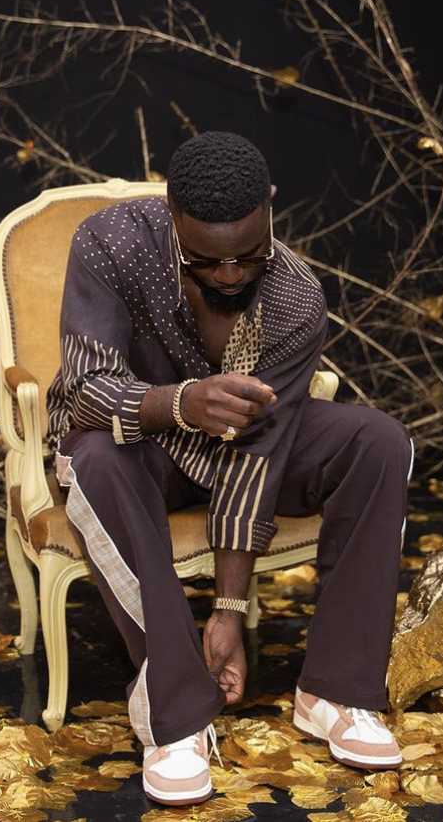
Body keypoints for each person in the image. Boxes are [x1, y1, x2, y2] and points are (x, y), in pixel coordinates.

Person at [46, 131, 414, 806]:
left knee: (379, 441)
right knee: (91, 455)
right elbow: (86, 393)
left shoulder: (296, 298)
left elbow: (258, 450)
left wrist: (229, 608)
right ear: (172, 214)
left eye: (248, 255)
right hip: (140, 448)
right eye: (206, 260)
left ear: (270, 205)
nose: (229, 275)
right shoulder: (111, 243)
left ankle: (334, 691)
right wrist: (181, 402)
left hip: (237, 454)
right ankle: (176, 717)